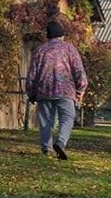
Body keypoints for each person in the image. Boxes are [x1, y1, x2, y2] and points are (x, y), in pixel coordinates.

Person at [25, 20, 88, 160]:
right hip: (65, 90)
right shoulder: (69, 49)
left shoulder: (40, 50)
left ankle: (47, 149)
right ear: (62, 35)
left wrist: (31, 93)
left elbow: (32, 74)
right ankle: (61, 142)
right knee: (67, 117)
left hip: (44, 90)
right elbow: (78, 70)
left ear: (48, 36)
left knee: (45, 121)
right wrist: (81, 89)